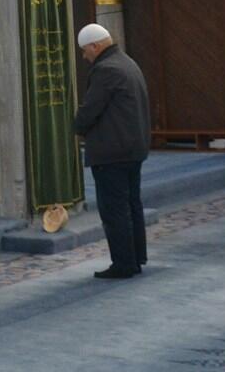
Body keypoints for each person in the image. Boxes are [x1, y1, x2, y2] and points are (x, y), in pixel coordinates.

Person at [73, 22, 150, 280]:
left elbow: (90, 110)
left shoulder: (105, 69)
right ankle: (136, 257)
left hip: (112, 152)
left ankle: (123, 263)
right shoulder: (127, 62)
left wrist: (75, 127)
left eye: (85, 51)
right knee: (132, 204)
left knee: (114, 209)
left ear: (95, 46)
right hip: (132, 148)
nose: (85, 56)